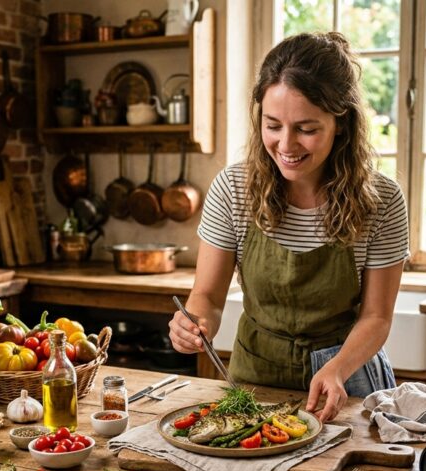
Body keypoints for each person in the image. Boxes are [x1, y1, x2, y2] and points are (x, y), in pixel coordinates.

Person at [168, 32, 409, 422]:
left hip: (347, 382)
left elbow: (376, 317)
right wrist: (194, 324)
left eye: (306, 129)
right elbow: (207, 297)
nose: (286, 144)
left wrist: (336, 369)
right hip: (255, 377)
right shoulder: (233, 189)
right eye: (273, 125)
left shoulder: (381, 200)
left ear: (341, 124)